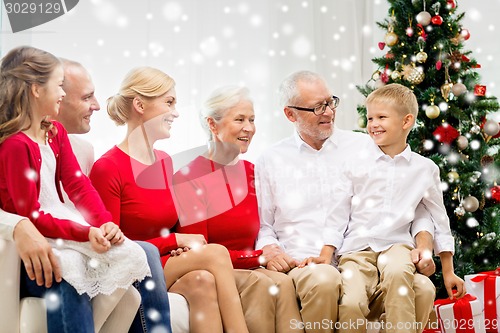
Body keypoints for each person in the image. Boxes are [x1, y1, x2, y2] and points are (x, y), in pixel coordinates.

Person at [255, 71, 437, 333]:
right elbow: (263, 225)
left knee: (423, 288)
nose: (328, 112)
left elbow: (413, 202)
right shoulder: (271, 160)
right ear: (290, 114)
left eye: (330, 102)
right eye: (317, 107)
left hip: (365, 260)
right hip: (306, 261)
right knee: (325, 279)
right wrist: (271, 251)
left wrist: (423, 245)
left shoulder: (367, 145)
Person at [89, 67, 249, 333]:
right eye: (169, 102)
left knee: (202, 282)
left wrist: (177, 245)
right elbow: (109, 248)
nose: (176, 112)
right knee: (217, 253)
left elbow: (172, 226)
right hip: (130, 269)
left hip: (163, 262)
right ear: (140, 105)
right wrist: (173, 241)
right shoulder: (108, 167)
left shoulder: (164, 162)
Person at [0, 46, 148, 333]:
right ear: (35, 90)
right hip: (38, 242)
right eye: (58, 86)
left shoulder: (55, 132)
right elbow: (29, 212)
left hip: (59, 231)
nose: (63, 94)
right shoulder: (15, 146)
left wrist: (104, 222)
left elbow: (78, 185)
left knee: (130, 261)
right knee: (72, 270)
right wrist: (84, 233)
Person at [306, 83, 465, 333]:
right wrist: (327, 253)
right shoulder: (353, 163)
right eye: (370, 118)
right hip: (356, 250)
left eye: (381, 117)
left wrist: (448, 271)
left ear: (406, 121)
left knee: (399, 279)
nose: (373, 124)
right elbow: (337, 214)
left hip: (397, 245)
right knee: (350, 302)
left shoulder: (424, 169)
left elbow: (438, 217)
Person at [173, 85, 303, 333]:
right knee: (259, 284)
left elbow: (269, 226)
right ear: (213, 125)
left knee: (284, 284)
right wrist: (259, 258)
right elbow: (202, 249)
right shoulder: (189, 177)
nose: (249, 128)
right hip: (214, 269)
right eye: (240, 119)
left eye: (252, 119)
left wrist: (274, 252)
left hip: (250, 263)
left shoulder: (252, 172)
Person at [56, 58, 173, 333]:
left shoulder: (80, 148)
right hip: (75, 244)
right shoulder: (107, 165)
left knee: (199, 273)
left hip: (93, 239)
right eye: (87, 97)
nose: (97, 105)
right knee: (147, 251)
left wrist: (103, 223)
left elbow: (81, 194)